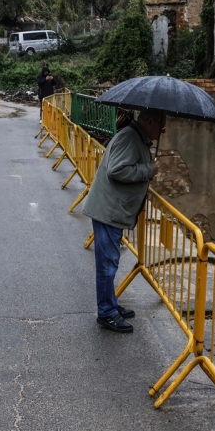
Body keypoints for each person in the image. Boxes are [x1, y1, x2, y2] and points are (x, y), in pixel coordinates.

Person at [80, 108, 166, 333]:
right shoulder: (130, 137)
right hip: (109, 210)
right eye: (161, 124)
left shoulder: (136, 137)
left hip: (112, 209)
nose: (163, 129)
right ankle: (106, 313)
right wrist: (149, 169)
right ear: (149, 121)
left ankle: (110, 304)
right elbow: (117, 170)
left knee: (110, 263)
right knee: (107, 265)